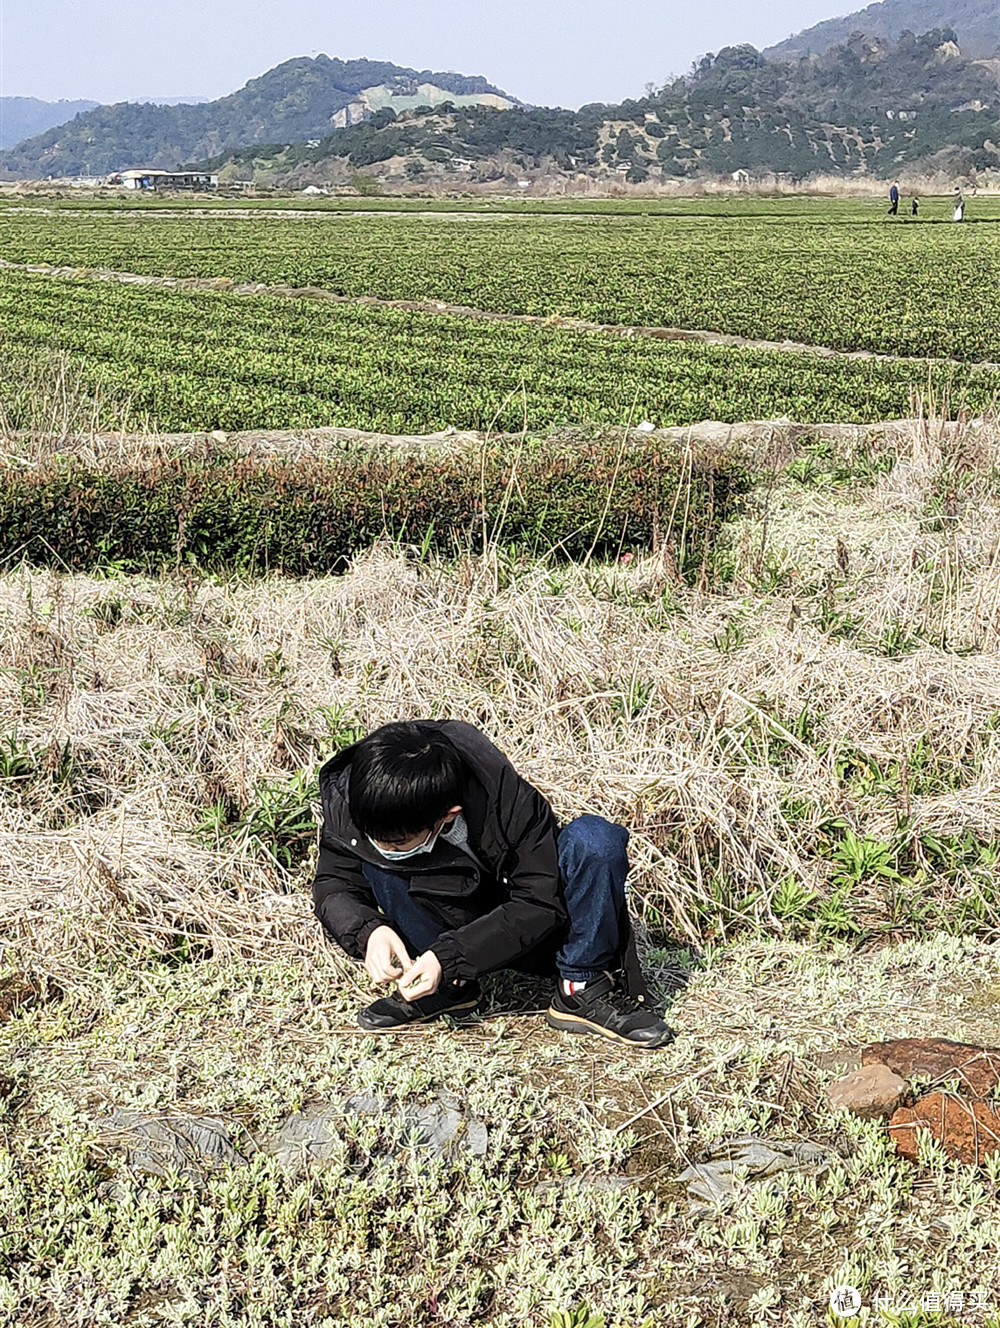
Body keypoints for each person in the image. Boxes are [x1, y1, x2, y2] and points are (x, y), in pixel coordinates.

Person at [312, 719, 675, 1048]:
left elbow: (539, 901)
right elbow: (334, 884)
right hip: (449, 923)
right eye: (375, 837)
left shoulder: (505, 796)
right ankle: (444, 988)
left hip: (537, 927)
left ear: (446, 816)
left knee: (595, 841)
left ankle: (579, 987)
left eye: (395, 842)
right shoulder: (359, 801)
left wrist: (450, 956)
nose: (383, 847)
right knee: (380, 865)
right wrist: (370, 931)